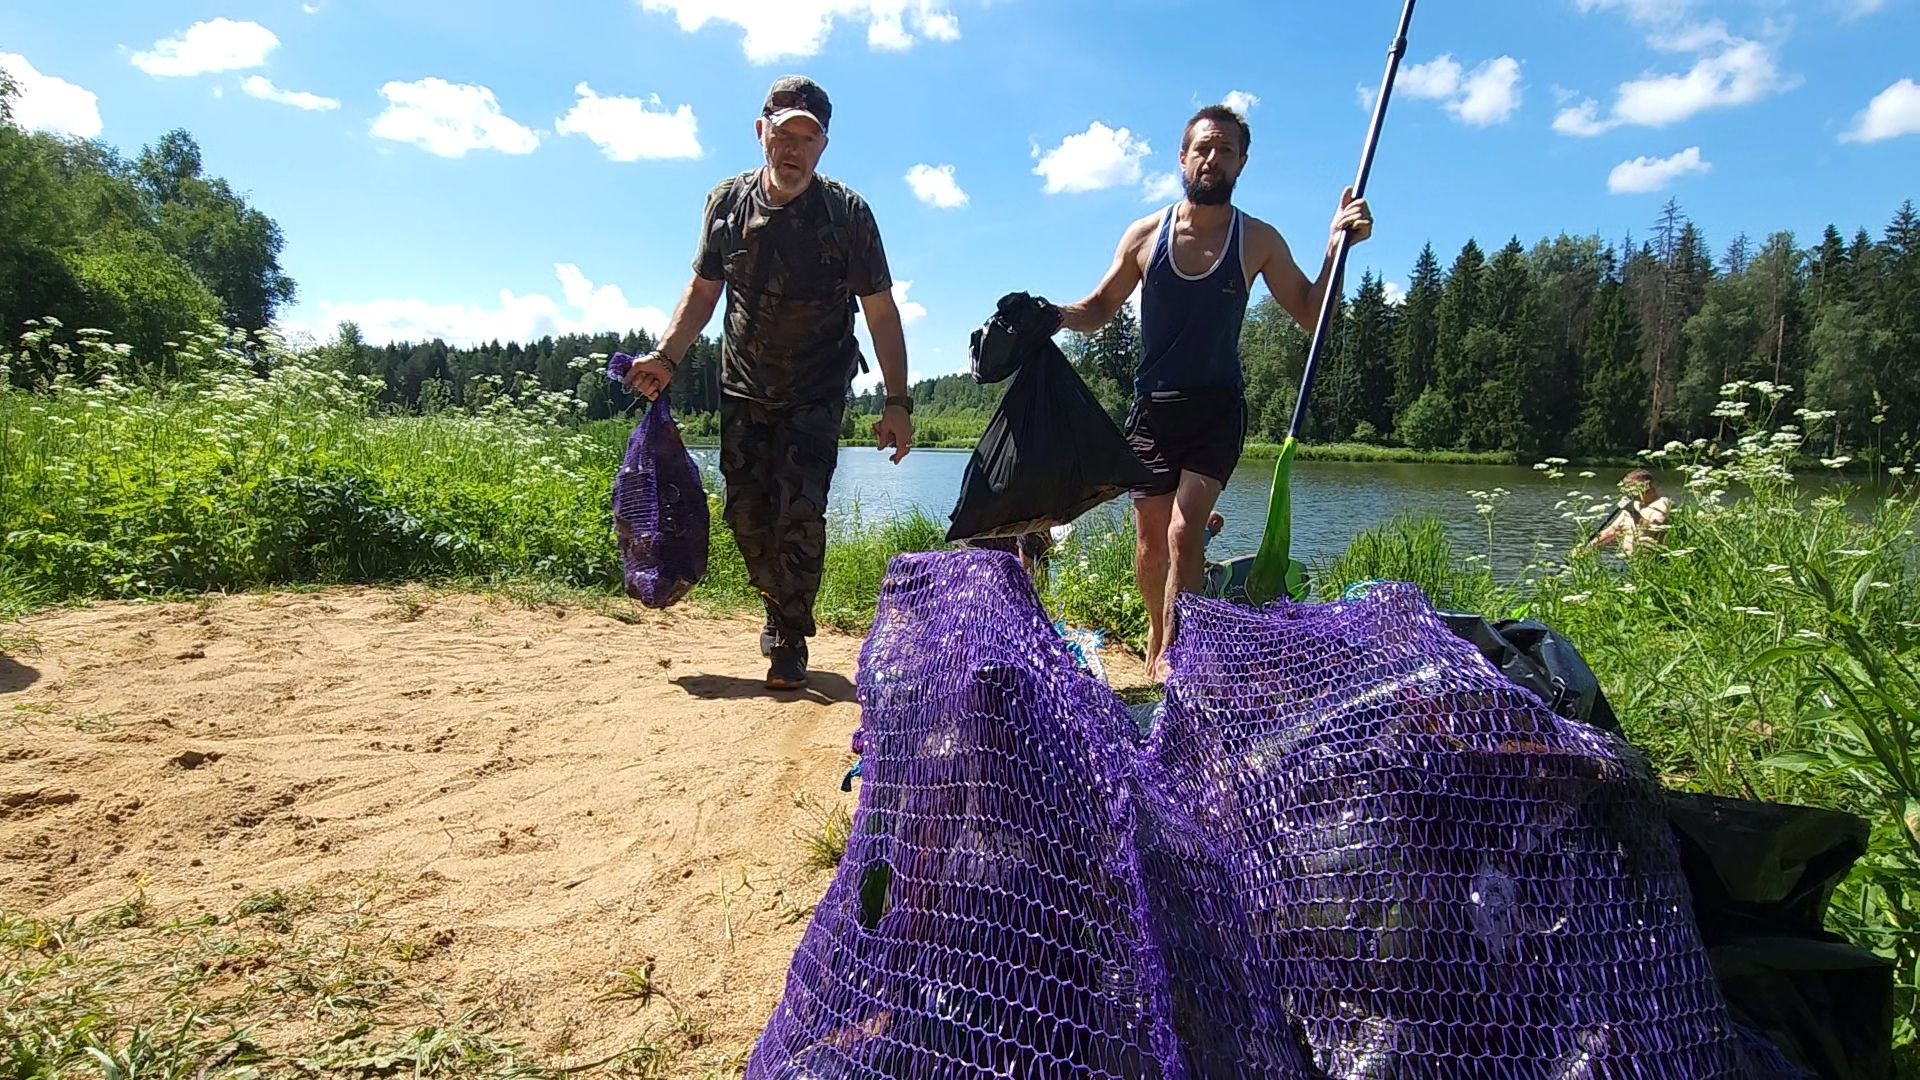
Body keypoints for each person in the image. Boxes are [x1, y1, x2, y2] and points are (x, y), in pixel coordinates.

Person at [1054, 103, 1373, 680]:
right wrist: (1052, 314)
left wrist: (1336, 247)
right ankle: (1158, 630)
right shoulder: (1145, 236)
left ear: (1241, 163)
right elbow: (1099, 308)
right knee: (1151, 541)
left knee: (1185, 529)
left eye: (1226, 150)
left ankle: (1176, 658)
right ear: (1183, 156)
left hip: (1217, 410)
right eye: (1203, 147)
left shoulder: (1259, 240)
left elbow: (1309, 312)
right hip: (1153, 411)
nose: (1212, 158)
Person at [623, 76, 915, 690]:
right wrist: (667, 357)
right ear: (762, 133)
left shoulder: (847, 214)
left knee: (800, 516)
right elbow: (704, 293)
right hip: (742, 390)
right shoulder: (727, 204)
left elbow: (881, 310)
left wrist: (897, 401)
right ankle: (778, 612)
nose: (794, 149)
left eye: (808, 138)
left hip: (815, 392)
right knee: (748, 516)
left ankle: (789, 638)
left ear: (824, 145)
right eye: (784, 134)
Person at [1587, 468, 1672, 556]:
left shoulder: (1662, 503)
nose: (1630, 494)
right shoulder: (1634, 505)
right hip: (1630, 562)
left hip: (1651, 561)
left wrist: (1633, 512)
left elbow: (1653, 528)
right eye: (1627, 490)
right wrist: (1587, 547)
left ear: (1646, 486)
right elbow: (1612, 531)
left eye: (1632, 489)